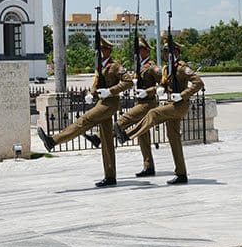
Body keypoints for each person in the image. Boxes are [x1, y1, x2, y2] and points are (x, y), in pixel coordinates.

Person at [37, 37, 133, 187]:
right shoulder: (100, 66)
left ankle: (53, 141)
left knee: (84, 120)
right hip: (102, 102)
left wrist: (110, 91)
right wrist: (92, 93)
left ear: (108, 51)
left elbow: (129, 82)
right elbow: (97, 84)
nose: (100, 52)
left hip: (110, 104)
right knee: (107, 141)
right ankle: (110, 176)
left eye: (102, 50)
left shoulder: (115, 66)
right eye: (98, 50)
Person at [118, 41, 204, 185]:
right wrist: (157, 89)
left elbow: (199, 83)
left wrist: (183, 94)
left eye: (167, 51)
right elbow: (162, 84)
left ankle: (128, 135)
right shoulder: (167, 69)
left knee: (153, 113)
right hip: (172, 104)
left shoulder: (182, 68)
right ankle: (181, 173)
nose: (164, 54)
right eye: (164, 51)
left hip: (180, 105)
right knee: (174, 139)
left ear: (176, 52)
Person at [113, 37, 161, 177]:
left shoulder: (152, 67)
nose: (138, 52)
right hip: (140, 102)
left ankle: (116, 134)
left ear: (147, 51)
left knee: (123, 119)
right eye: (137, 50)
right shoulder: (138, 66)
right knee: (143, 137)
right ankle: (148, 167)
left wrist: (148, 91)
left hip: (148, 103)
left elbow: (163, 84)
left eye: (140, 49)